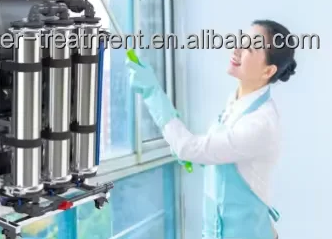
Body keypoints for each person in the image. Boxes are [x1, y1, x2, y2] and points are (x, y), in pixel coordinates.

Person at [126, 19, 297, 239]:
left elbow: (188, 148)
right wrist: (202, 157)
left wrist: (153, 94)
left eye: (249, 48)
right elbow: (229, 155)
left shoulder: (260, 124)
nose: (237, 49)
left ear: (268, 71)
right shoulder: (237, 102)